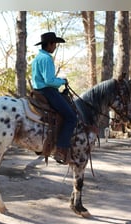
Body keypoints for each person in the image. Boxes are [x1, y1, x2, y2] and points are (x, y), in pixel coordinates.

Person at [31, 32, 77, 164]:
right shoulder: (46, 59)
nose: (55, 46)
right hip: (47, 91)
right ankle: (61, 149)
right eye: (55, 44)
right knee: (71, 117)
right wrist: (62, 81)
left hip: (38, 90)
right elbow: (49, 80)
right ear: (50, 44)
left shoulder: (37, 58)